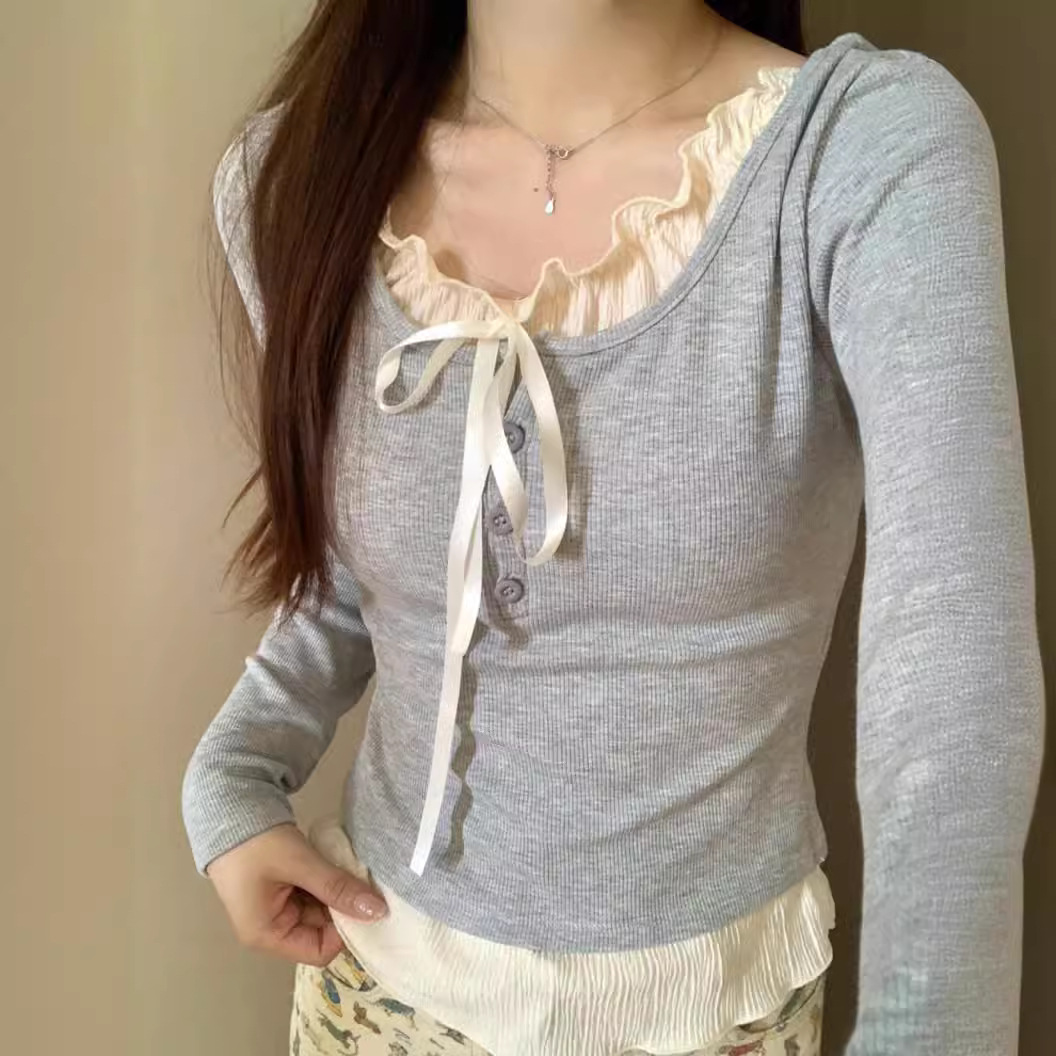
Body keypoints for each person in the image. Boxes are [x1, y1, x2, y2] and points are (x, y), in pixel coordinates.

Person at [181, 2, 1045, 1054]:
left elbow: (949, 666)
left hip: (711, 1013)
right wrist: (232, 773)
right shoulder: (295, 176)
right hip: (374, 992)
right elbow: (357, 580)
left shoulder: (859, 150)